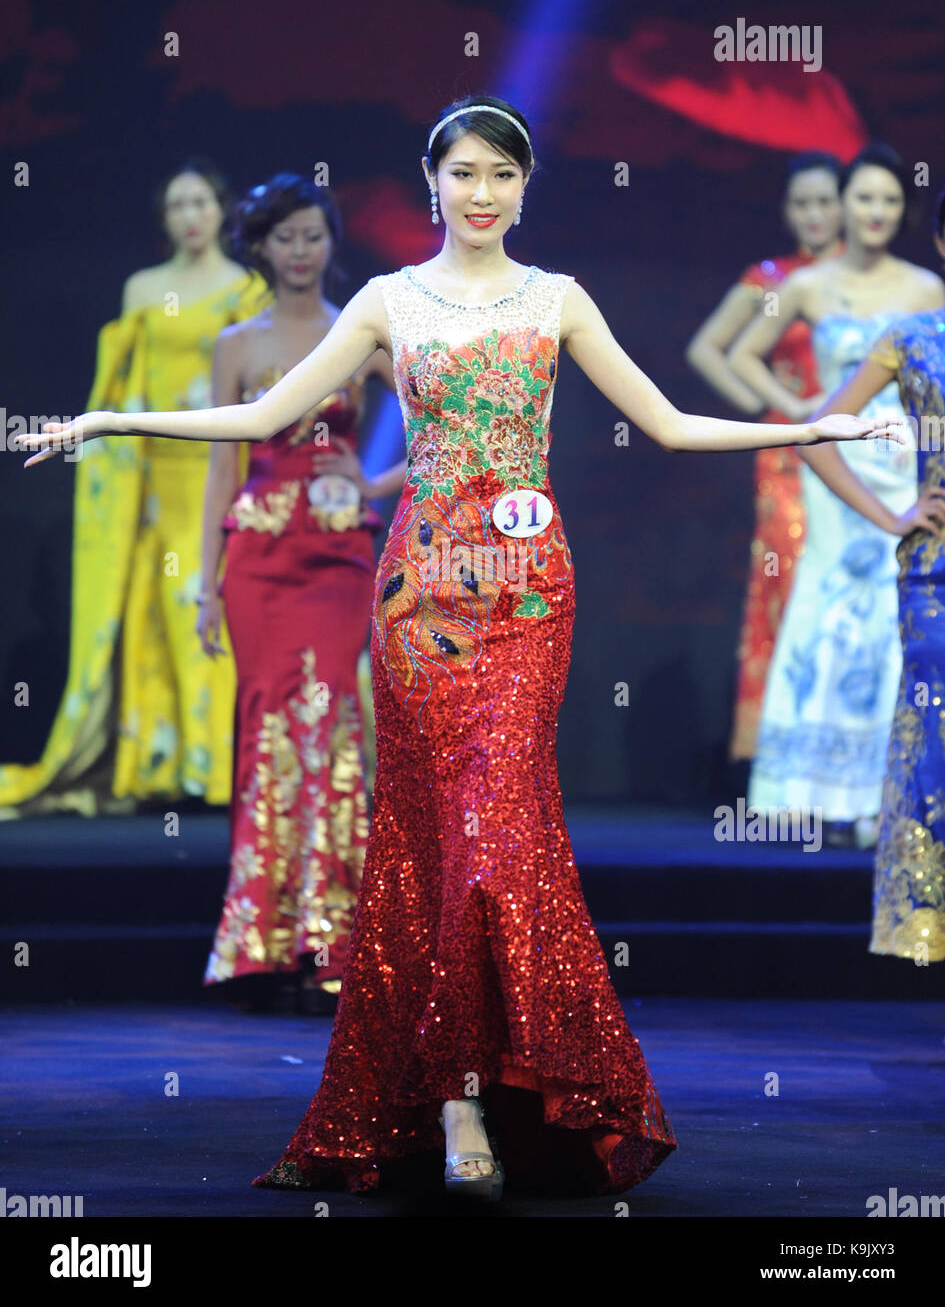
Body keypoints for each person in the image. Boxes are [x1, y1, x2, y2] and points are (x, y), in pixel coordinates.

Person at [14, 96, 901, 1199]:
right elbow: (262, 417)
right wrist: (108, 422)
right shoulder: (390, 303)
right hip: (419, 600)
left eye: (504, 176)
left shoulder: (558, 300)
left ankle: (508, 1082)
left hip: (530, 598)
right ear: (430, 179)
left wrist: (813, 425)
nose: (483, 194)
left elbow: (671, 420)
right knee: (440, 840)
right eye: (465, 173)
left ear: (527, 187)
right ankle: (453, 1095)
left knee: (506, 835)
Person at [0, 159, 269, 818]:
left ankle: (216, 769)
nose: (190, 215)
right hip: (152, 481)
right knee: (154, 618)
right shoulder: (143, 289)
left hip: (220, 471)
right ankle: (158, 767)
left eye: (201, 201)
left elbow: (258, 388)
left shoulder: (247, 289)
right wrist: (99, 450)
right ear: (165, 219)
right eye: (177, 204)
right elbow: (118, 390)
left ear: (221, 209)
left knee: (207, 614)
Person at [198, 174, 405, 1014]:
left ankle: (333, 941)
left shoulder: (357, 331)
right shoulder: (234, 343)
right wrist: (205, 585)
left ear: (330, 242)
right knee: (268, 727)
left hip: (335, 558)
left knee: (330, 725)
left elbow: (442, 425)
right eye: (284, 237)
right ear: (262, 246)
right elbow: (222, 461)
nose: (299, 251)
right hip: (255, 558)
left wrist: (373, 481)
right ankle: (261, 941)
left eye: (313, 235)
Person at [730, 145, 944, 845]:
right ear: (840, 205)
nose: (875, 212)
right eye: (862, 198)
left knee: (892, 618)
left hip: (903, 463)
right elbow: (733, 353)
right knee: (824, 606)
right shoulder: (806, 284)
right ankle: (807, 789)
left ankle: (875, 795)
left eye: (888, 200)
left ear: (902, 211)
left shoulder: (925, 289)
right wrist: (797, 415)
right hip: (833, 466)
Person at [797, 190, 945, 963]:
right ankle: (926, 933)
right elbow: (819, 436)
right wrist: (891, 517)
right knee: (936, 756)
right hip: (935, 580)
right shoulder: (911, 339)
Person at [686, 151, 844, 763]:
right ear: (787, 210)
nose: (814, 215)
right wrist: (777, 408)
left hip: (859, 451)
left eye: (825, 202)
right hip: (790, 455)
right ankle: (782, 755)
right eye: (802, 203)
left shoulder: (868, 282)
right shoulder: (773, 280)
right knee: (788, 580)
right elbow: (709, 349)